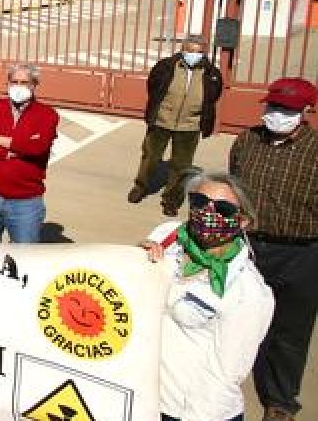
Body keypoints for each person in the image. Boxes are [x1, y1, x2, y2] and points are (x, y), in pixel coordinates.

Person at [139, 171, 274, 421]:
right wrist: (137, 260)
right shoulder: (166, 236)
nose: (208, 213)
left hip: (188, 412)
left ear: (243, 221)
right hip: (145, 398)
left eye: (222, 208)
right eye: (200, 202)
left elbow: (224, 376)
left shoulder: (249, 293)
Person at [228, 77, 318, 421]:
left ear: (305, 111)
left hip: (302, 253)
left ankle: (280, 400)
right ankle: (226, 380)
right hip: (249, 248)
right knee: (235, 317)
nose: (277, 114)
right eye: (274, 106)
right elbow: (234, 185)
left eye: (287, 109)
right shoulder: (247, 140)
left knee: (289, 332)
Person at [128, 36, 224, 216]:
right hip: (162, 120)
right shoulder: (166, 67)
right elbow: (153, 87)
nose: (193, 55)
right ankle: (140, 187)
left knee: (181, 165)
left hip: (190, 125)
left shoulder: (212, 73)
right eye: (190, 51)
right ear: (182, 50)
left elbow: (213, 96)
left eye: (198, 52)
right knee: (151, 156)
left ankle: (172, 200)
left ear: (204, 53)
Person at [0, 63, 59, 243]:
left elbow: (38, 147)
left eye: (24, 82)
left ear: (34, 85)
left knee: (24, 259)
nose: (18, 86)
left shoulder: (47, 115)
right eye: (14, 81)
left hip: (25, 202)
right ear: (8, 84)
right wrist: (11, 151)